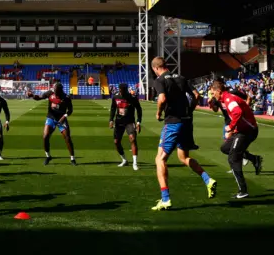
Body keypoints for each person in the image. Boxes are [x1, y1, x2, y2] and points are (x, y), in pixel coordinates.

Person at [151, 57, 216, 211]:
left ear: (155, 68)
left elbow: (162, 98)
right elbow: (197, 96)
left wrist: (159, 112)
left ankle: (165, 199)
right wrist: (190, 110)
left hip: (173, 122)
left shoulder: (160, 80)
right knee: (183, 157)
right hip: (187, 122)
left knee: (159, 159)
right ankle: (208, 180)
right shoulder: (181, 78)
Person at [210, 80, 263, 198]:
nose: (213, 96)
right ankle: (254, 159)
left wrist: (230, 128)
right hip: (241, 130)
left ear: (218, 91)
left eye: (213, 93)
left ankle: (243, 190)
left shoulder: (228, 98)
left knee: (233, 158)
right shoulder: (225, 98)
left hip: (248, 131)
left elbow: (237, 112)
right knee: (225, 148)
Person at [29, 82, 77, 166]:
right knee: (45, 136)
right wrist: (32, 95)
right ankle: (48, 156)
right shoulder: (50, 93)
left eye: (56, 91)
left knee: (67, 138)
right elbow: (39, 97)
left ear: (61, 90)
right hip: (51, 117)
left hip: (61, 119)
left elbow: (70, 110)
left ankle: (72, 158)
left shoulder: (66, 98)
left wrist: (64, 116)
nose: (55, 92)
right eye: (54, 90)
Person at [109, 83, 142, 170]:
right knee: (116, 142)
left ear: (126, 89)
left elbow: (139, 109)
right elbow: (113, 108)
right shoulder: (116, 97)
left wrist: (138, 122)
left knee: (133, 139)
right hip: (119, 122)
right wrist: (111, 120)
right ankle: (124, 160)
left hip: (129, 122)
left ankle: (135, 163)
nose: (121, 91)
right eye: (120, 90)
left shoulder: (132, 98)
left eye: (123, 90)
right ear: (119, 89)